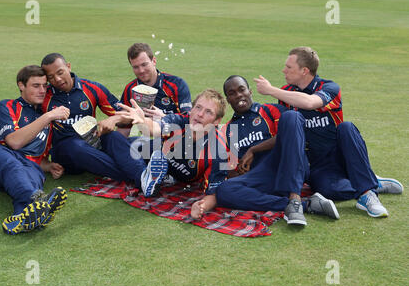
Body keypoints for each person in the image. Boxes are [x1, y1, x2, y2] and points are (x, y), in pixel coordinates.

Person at [254, 46, 403, 218]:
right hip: (317, 164)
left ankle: (367, 194)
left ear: (304, 71)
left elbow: (310, 103)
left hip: (340, 154)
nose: (283, 70)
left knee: (346, 128)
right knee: (328, 190)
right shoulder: (286, 92)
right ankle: (369, 180)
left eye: (289, 67)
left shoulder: (330, 87)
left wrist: (270, 90)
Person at [191, 76, 339, 225]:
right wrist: (238, 170)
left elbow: (292, 134)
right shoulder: (228, 130)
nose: (238, 95)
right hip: (261, 177)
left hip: (288, 166)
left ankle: (295, 197)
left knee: (292, 117)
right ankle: (304, 205)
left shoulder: (270, 110)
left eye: (241, 90)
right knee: (224, 190)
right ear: (228, 100)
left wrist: (254, 150)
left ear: (249, 91)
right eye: (232, 93)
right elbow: (228, 169)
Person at [0, 65, 70, 235]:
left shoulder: (47, 118)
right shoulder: (6, 106)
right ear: (21, 85)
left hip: (27, 167)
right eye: (35, 86)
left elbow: (37, 157)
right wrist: (48, 116)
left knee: (33, 174)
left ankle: (22, 220)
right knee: (13, 164)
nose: (42, 90)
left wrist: (48, 166)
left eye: (45, 86)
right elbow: (14, 142)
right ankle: (40, 200)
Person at [112, 89, 231, 200]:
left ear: (217, 121)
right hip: (155, 150)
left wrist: (203, 206)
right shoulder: (179, 121)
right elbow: (156, 128)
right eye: (198, 107)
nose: (200, 114)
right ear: (191, 110)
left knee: (115, 149)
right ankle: (147, 176)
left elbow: (214, 191)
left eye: (208, 112)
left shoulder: (218, 149)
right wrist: (142, 121)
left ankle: (147, 176)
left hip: (170, 167)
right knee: (115, 141)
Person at [40, 53, 131, 179]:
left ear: (68, 66)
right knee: (76, 146)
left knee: (117, 138)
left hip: (92, 144)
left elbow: (127, 115)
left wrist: (114, 119)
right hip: (65, 153)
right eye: (51, 77)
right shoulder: (44, 97)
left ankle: (145, 171)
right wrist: (46, 164)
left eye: (60, 72)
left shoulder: (92, 88)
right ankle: (131, 175)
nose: (58, 79)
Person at [118, 43, 192, 137]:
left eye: (144, 64)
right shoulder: (131, 89)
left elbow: (190, 121)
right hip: (148, 142)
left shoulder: (176, 84)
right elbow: (124, 128)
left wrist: (164, 117)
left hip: (176, 142)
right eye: (136, 67)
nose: (141, 70)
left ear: (154, 61)